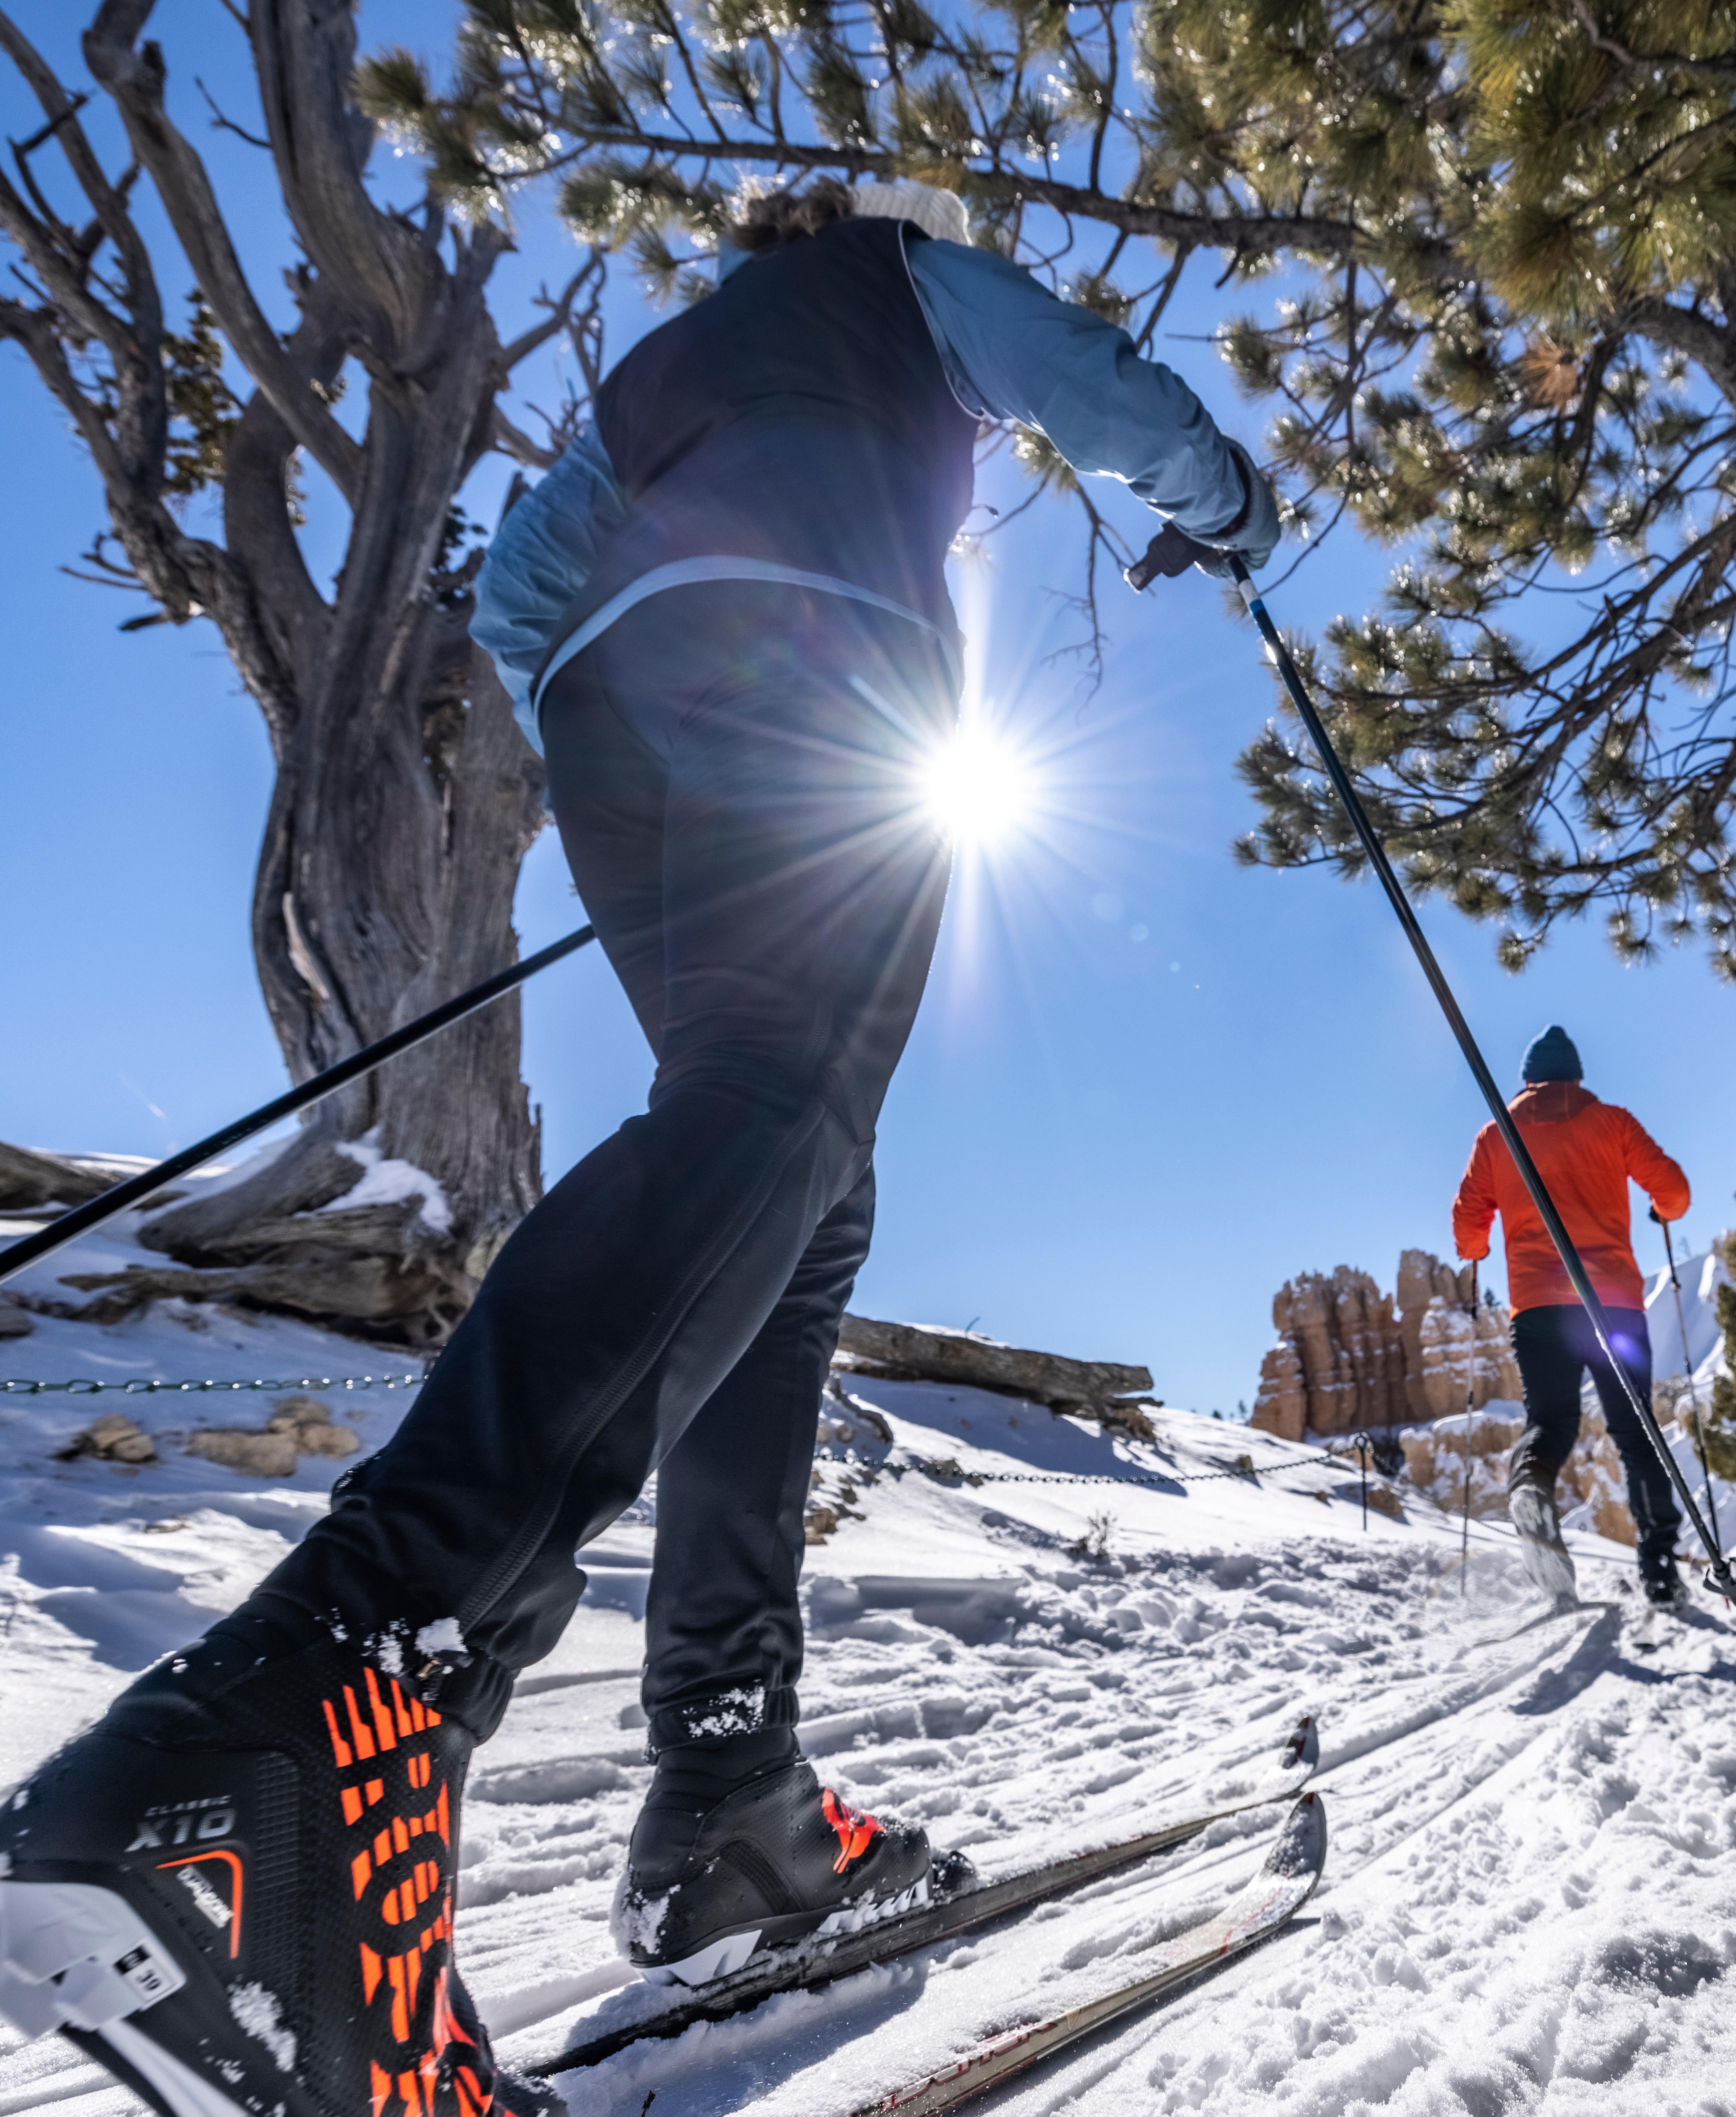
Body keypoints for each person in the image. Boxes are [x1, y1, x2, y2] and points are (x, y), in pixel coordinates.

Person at [0, 178, 1278, 2117]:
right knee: (782, 1112)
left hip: (622, 713)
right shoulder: (894, 278)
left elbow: (522, 587)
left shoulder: (665, 361)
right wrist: (1225, 504)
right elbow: (1076, 374)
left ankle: (726, 1795)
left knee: (789, 1178)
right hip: (827, 669)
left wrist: (624, 729)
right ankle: (304, 1710)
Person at [1451, 1024, 1691, 1607]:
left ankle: (1531, 1484)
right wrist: (1660, 1211)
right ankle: (1659, 1570)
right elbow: (1675, 1193)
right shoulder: (1612, 1122)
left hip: (1538, 1309)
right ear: (1577, 1078)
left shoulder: (1496, 1135)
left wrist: (1482, 1246)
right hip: (1612, 1306)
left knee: (1551, 1421)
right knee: (1636, 1434)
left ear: (1527, 1079)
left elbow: (1466, 1232)